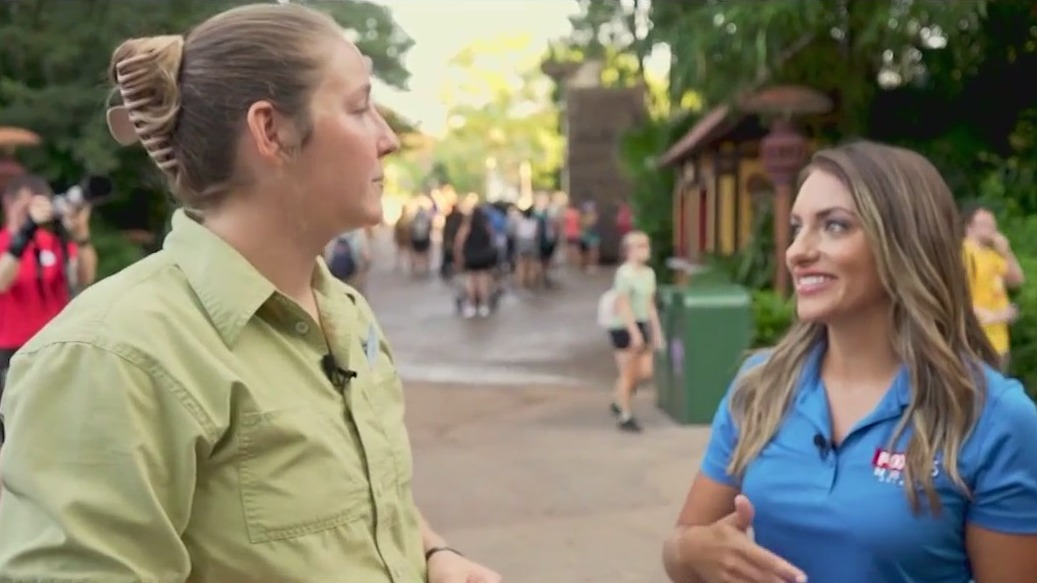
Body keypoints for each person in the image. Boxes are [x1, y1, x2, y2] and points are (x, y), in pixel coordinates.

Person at [0, 5, 502, 583]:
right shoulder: (112, 357)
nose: (388, 139)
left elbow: (357, 505)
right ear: (271, 131)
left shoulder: (345, 312)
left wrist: (436, 555)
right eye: (361, 106)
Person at [662, 141, 1037, 583]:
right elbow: (684, 546)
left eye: (834, 226)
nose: (797, 251)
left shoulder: (994, 418)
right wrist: (693, 551)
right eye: (797, 227)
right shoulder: (760, 387)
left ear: (905, 245)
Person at [0, 174, 96, 395]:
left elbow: (84, 277)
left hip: (53, 346)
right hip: (11, 351)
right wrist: (27, 230)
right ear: (9, 202)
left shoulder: (54, 244)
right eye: (28, 203)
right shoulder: (4, 243)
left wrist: (81, 234)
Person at [605, 231, 662, 432]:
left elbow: (649, 304)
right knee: (627, 372)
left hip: (641, 322)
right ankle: (625, 415)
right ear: (629, 251)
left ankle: (617, 398)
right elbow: (622, 304)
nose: (645, 250)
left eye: (646, 245)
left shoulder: (649, 274)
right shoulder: (624, 274)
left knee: (645, 371)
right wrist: (633, 332)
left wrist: (656, 331)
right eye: (640, 246)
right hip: (623, 326)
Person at [962, 204, 1024, 371]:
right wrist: (997, 316)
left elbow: (1016, 279)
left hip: (999, 342)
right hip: (976, 341)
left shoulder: (992, 255)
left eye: (993, 225)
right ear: (969, 227)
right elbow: (959, 299)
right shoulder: (964, 254)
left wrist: (1006, 251)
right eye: (984, 224)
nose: (991, 229)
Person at [455, 205, 497, 318]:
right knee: (483, 282)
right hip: (484, 257)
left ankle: (472, 305)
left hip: (470, 257)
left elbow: (459, 242)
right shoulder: (486, 227)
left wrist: (459, 256)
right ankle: (483, 305)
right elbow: (492, 240)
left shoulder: (466, 227)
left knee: (471, 281)